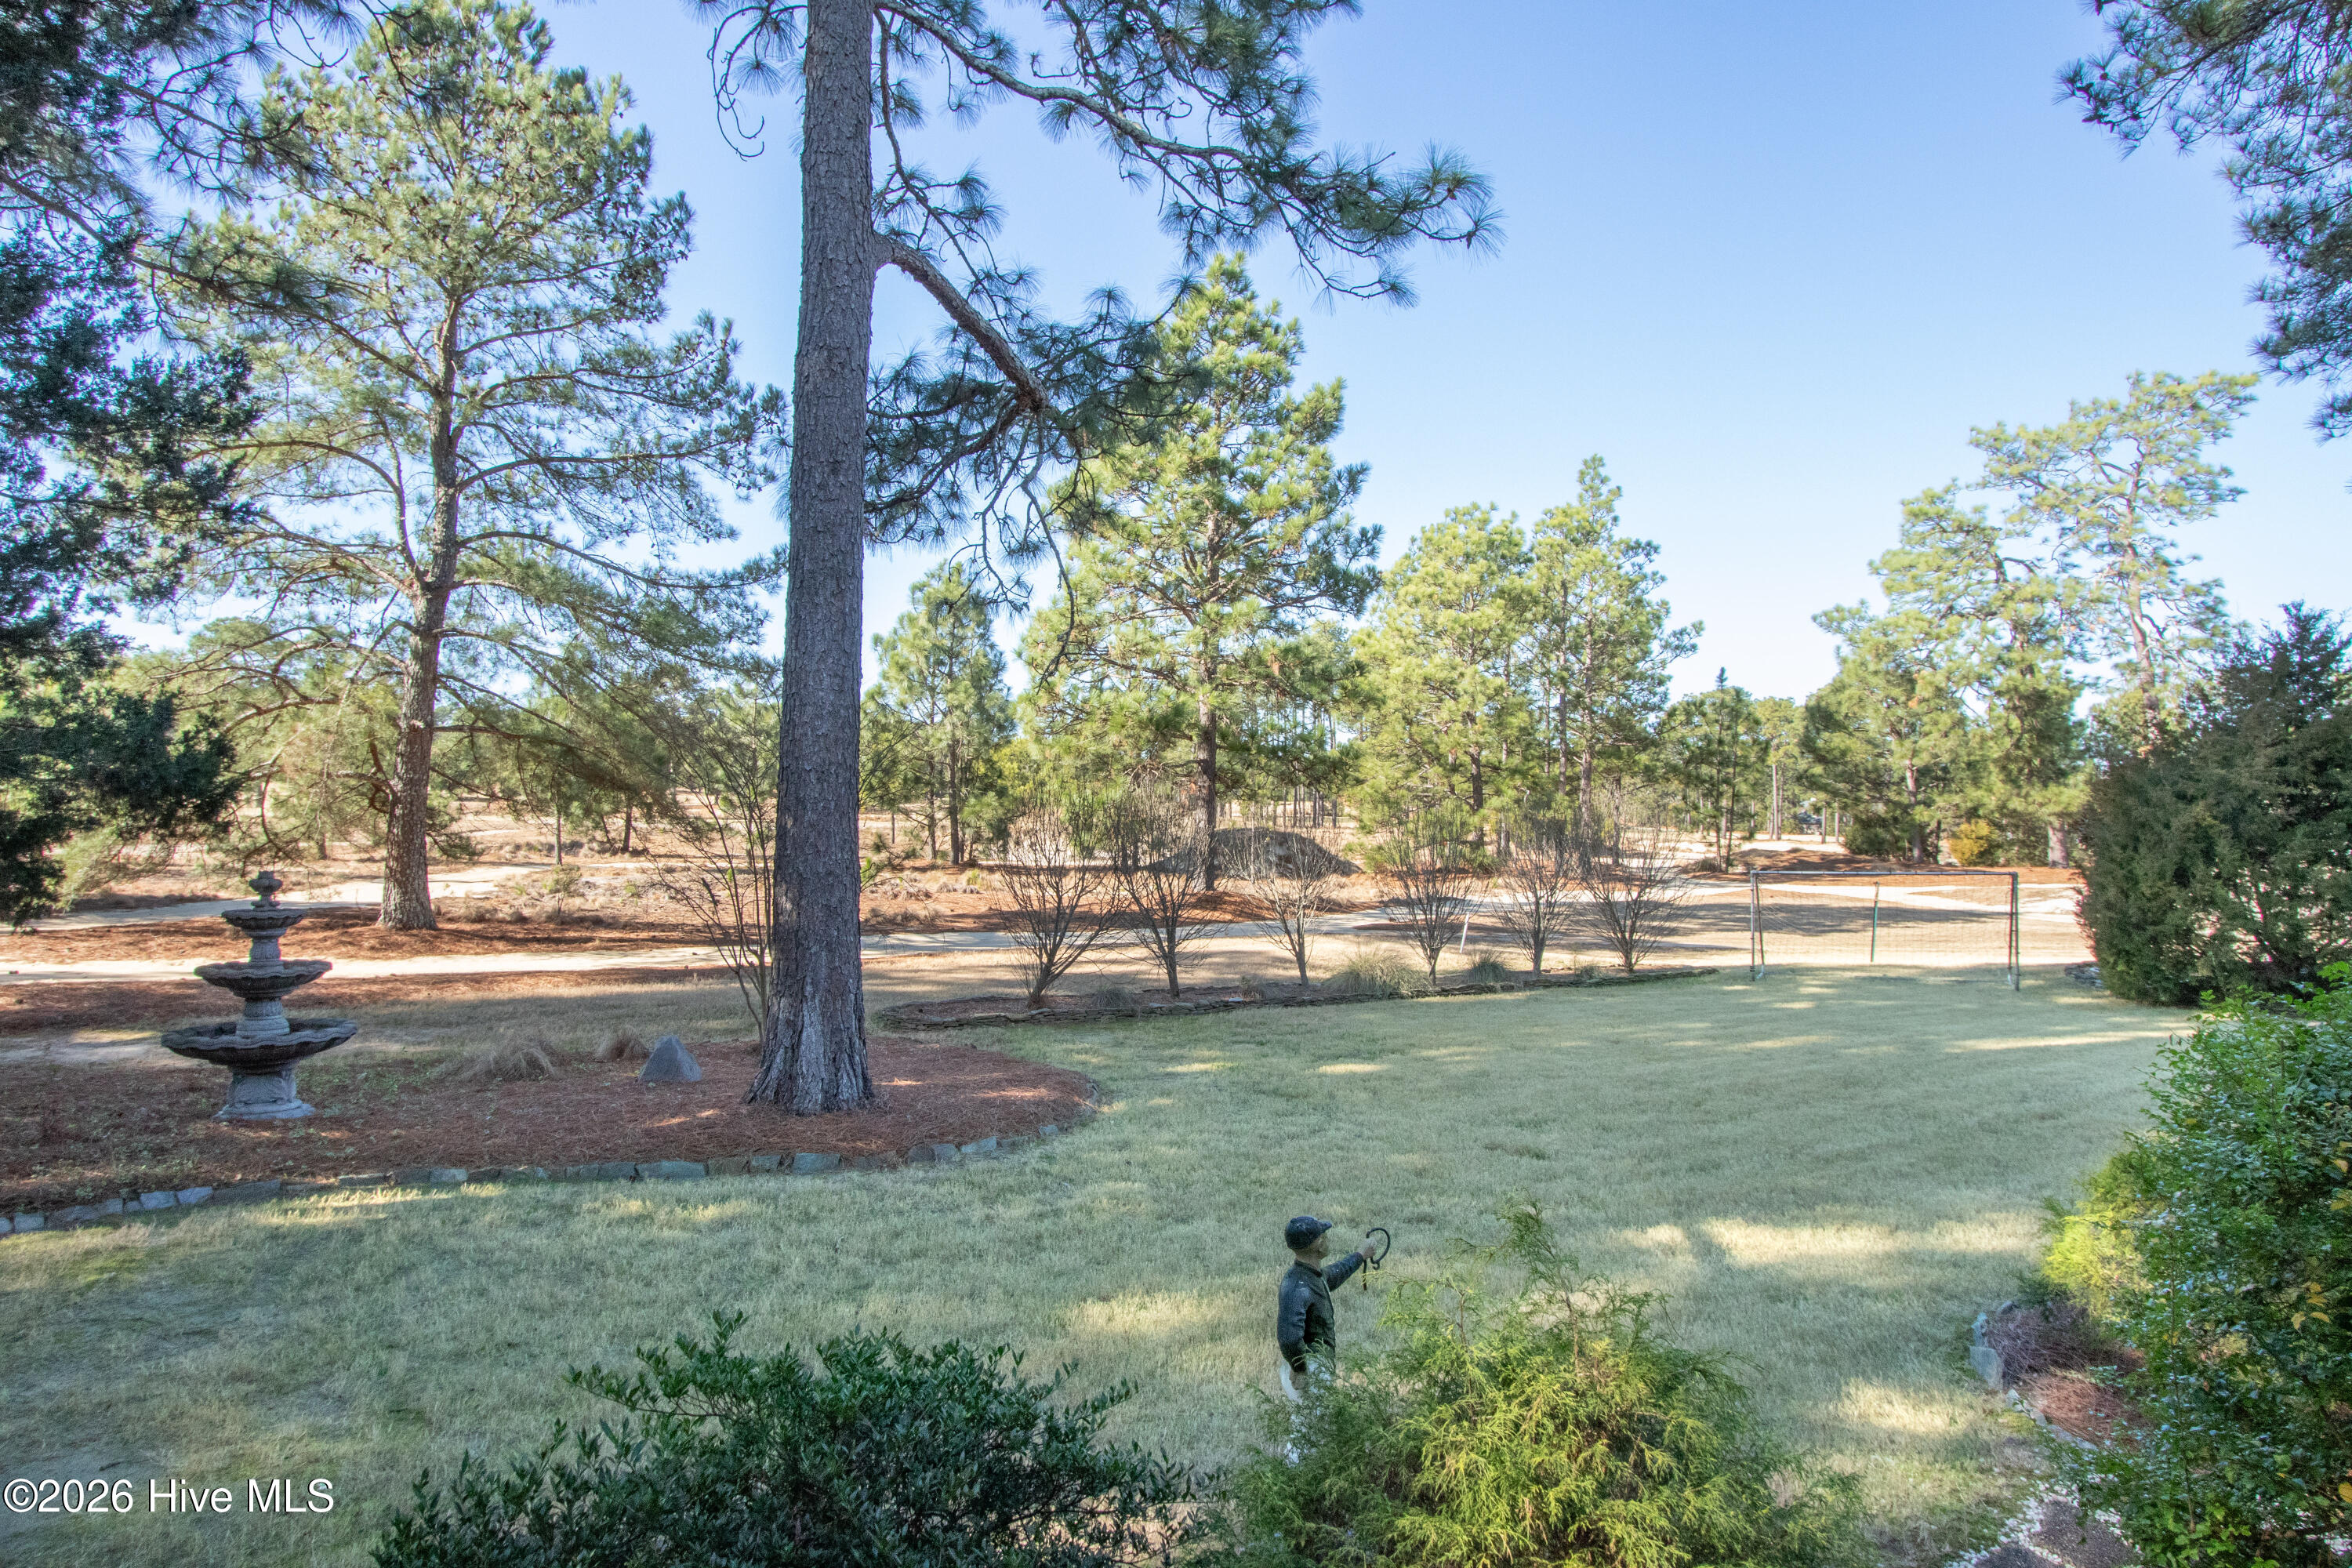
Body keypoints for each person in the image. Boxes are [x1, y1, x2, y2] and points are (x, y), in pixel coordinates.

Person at [1276, 1215, 1379, 1399]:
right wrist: (1299, 1369)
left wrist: (1361, 1255)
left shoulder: (1308, 1275)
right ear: (1319, 1244)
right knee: (1314, 1425)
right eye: (1323, 1235)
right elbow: (1289, 1338)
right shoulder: (1298, 1286)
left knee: (1306, 1424)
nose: (1327, 1238)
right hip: (1310, 1368)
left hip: (1309, 1365)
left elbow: (1333, 1275)